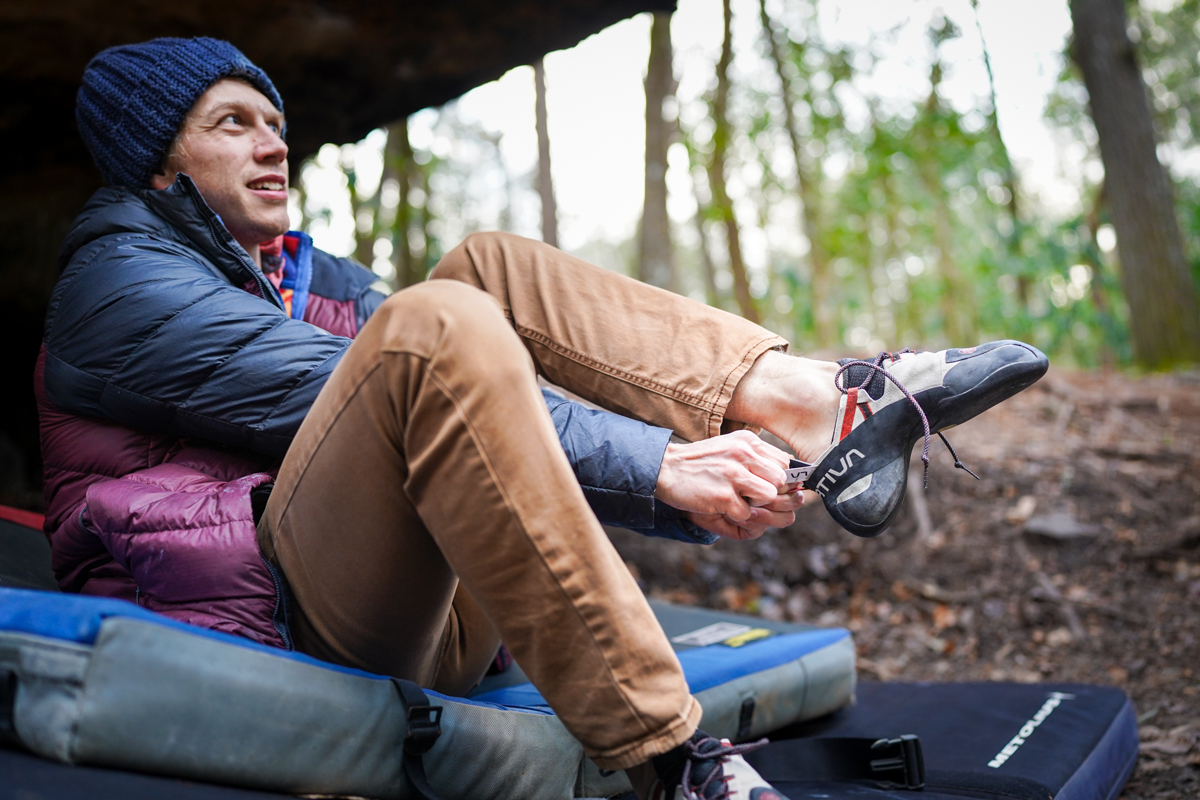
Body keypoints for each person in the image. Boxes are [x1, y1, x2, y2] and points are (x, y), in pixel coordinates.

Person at [40, 37, 1047, 800]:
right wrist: (659, 467)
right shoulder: (117, 280)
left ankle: (823, 404)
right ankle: (672, 761)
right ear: (159, 165)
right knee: (438, 319)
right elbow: (398, 371)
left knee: (486, 269)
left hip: (422, 603)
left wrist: (675, 472)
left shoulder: (310, 281)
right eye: (231, 123)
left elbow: (482, 392)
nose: (273, 142)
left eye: (274, 121)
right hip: (271, 622)